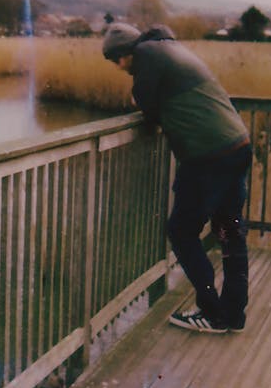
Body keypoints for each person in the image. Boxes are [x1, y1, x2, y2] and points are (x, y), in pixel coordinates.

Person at [102, 22, 252, 334]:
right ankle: (233, 315)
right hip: (236, 146)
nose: (118, 66)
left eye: (117, 58)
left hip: (207, 157)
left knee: (182, 232)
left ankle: (212, 312)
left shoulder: (147, 53)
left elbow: (147, 106)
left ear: (128, 50)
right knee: (229, 231)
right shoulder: (169, 49)